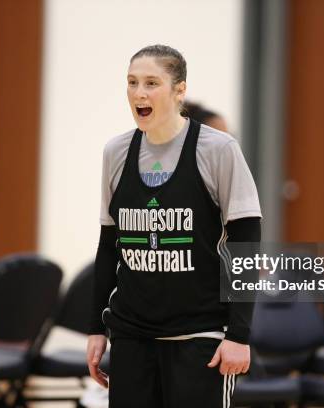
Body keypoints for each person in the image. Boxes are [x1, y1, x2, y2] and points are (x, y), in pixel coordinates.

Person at [86, 44, 262, 408]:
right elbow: (108, 246)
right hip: (132, 335)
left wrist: (239, 334)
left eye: (152, 83)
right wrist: (95, 327)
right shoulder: (115, 152)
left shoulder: (218, 149)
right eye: (132, 83)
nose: (139, 93)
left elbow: (245, 243)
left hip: (199, 336)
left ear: (179, 90)